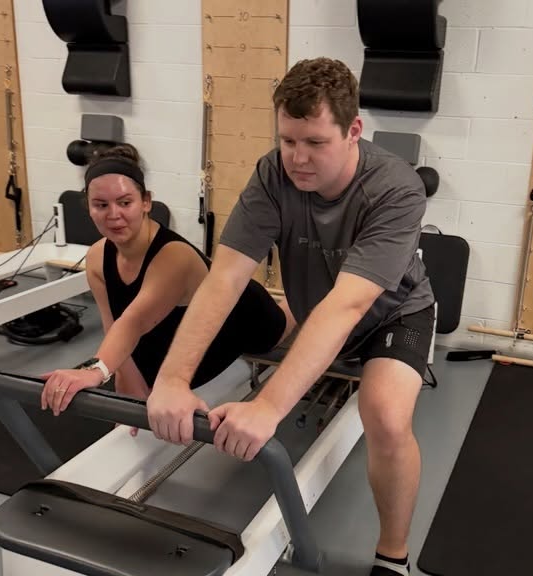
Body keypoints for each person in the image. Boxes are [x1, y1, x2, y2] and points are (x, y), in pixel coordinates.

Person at [147, 57, 435, 576]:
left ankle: (394, 555)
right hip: (317, 309)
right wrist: (171, 379)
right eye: (287, 140)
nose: (297, 159)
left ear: (353, 131)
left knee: (387, 418)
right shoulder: (271, 174)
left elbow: (349, 304)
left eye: (316, 143)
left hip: (392, 316)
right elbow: (225, 277)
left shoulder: (395, 189)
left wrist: (268, 404)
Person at [40, 144, 292, 427]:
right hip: (171, 327)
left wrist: (95, 370)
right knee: (141, 372)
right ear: (88, 206)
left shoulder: (174, 257)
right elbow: (114, 325)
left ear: (146, 202)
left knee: (287, 319)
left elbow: (133, 323)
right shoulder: (98, 256)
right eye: (101, 205)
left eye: (125, 203)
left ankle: (304, 295)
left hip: (245, 316)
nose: (113, 215)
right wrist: (125, 383)